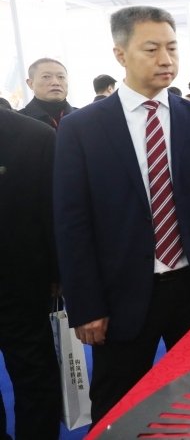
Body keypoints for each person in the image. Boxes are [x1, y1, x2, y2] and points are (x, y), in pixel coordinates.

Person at [54, 6, 190, 425]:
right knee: (118, 407)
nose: (166, 60)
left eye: (172, 48)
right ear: (120, 54)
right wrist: (86, 304)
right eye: (152, 49)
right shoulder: (82, 128)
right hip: (122, 293)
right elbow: (72, 224)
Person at [0, 110, 62, 440]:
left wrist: (58, 272)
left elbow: (53, 211)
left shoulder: (35, 137)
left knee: (35, 380)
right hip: (23, 281)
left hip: (21, 283)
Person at [18, 58, 76, 129]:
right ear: (30, 83)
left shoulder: (83, 117)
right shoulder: (16, 122)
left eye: (61, 77)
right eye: (46, 77)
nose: (56, 83)